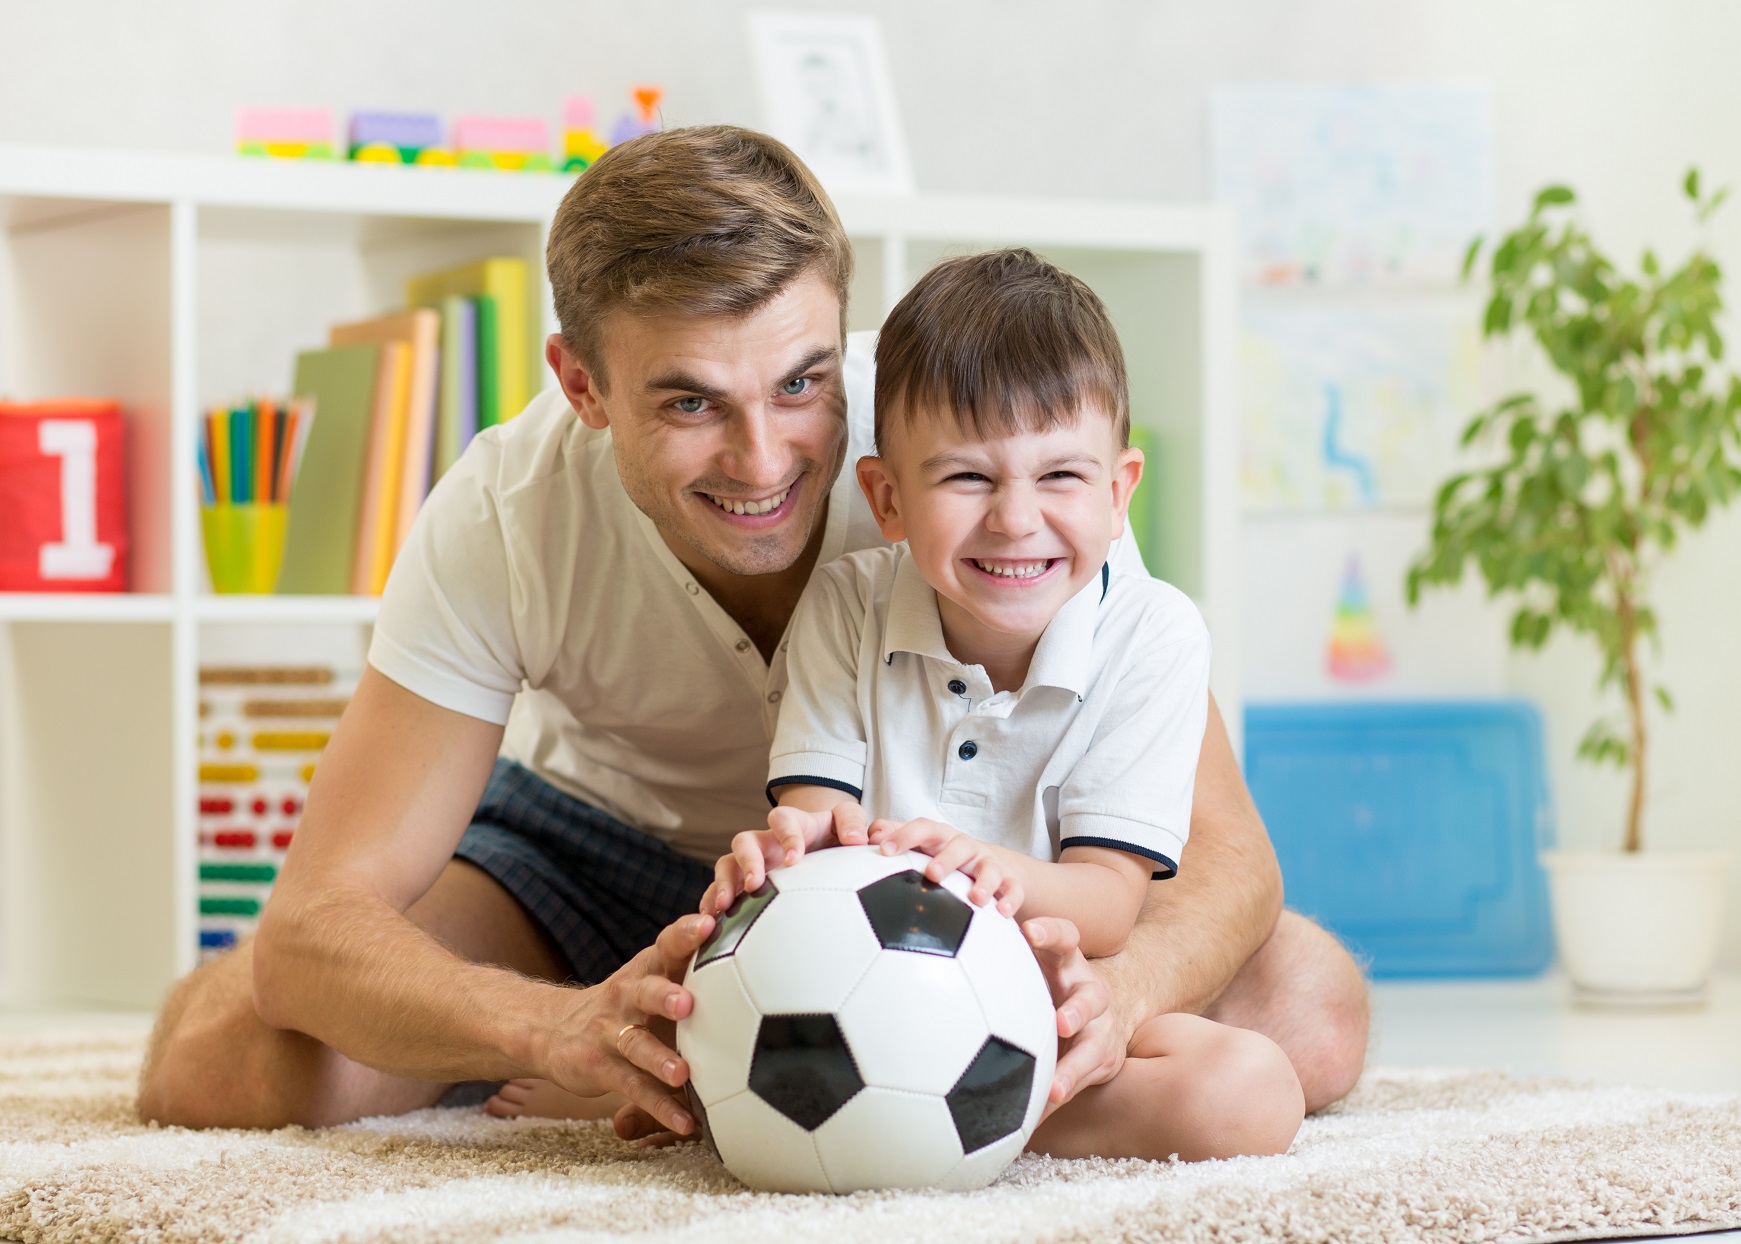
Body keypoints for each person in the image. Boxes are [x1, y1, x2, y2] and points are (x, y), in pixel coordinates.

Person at [135, 125, 1369, 1140]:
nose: (765, 460)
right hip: (597, 857)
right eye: (689, 401)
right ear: (581, 385)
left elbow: (1225, 861)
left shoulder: (982, 446)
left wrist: (1123, 992)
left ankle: (806, 1080)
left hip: (937, 865)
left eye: (799, 382)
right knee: (227, 1063)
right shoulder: (504, 509)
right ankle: (623, 1056)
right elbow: (311, 926)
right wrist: (546, 1023)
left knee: (1310, 1008)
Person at [689, 248, 1304, 1161]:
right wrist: (775, 858)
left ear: (1118, 491)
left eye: (1059, 476)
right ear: (887, 497)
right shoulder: (846, 605)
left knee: (1248, 1091)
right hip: (866, 989)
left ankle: (910, 1120)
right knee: (695, 998)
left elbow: (1104, 905)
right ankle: (881, 1111)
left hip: (1046, 989)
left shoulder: (1155, 634)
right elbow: (811, 831)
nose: (1015, 519)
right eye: (967, 478)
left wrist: (976, 870)